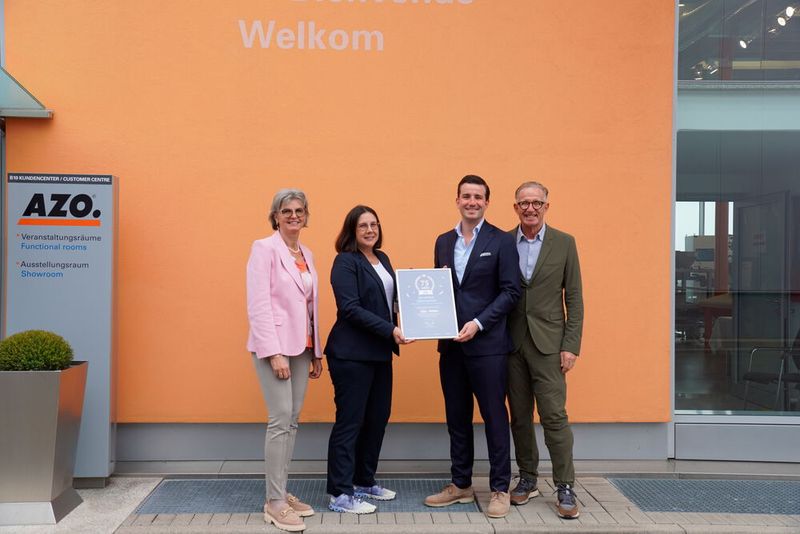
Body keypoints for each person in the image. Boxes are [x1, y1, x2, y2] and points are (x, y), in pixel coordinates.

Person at [424, 174, 521, 519]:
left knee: (494, 417)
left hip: (488, 346)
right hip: (451, 347)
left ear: (486, 202)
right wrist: (423, 316)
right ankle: (461, 484)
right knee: (457, 417)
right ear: (457, 200)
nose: (472, 202)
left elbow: (511, 291)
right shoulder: (443, 241)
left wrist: (478, 323)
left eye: (478, 197)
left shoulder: (502, 240)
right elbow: (438, 291)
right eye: (466, 196)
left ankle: (499, 488)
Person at [246, 188, 324, 532]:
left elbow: (310, 307)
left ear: (306, 216)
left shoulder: (306, 253)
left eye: (299, 211)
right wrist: (273, 352)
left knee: (292, 420)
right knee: (279, 420)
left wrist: (316, 351)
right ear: (275, 216)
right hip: (275, 347)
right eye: (286, 211)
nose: (294, 216)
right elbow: (258, 303)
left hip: (302, 346)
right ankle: (274, 502)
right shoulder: (264, 248)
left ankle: (281, 491)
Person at [325, 205, 411, 514]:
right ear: (352, 229)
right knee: (350, 422)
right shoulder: (345, 262)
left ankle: (363, 481)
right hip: (351, 355)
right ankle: (340, 494)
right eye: (363, 225)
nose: (370, 230)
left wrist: (426, 296)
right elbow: (350, 308)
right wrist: (391, 330)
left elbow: (390, 301)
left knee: (377, 419)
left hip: (379, 353)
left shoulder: (382, 258)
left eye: (374, 224)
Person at [506, 181, 584, 519]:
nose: (530, 208)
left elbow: (574, 298)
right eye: (524, 203)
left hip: (550, 345)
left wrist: (571, 345)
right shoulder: (503, 242)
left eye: (537, 202)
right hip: (511, 344)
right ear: (515, 207)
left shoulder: (564, 243)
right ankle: (527, 478)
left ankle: (565, 484)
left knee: (554, 416)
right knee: (519, 416)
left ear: (546, 207)